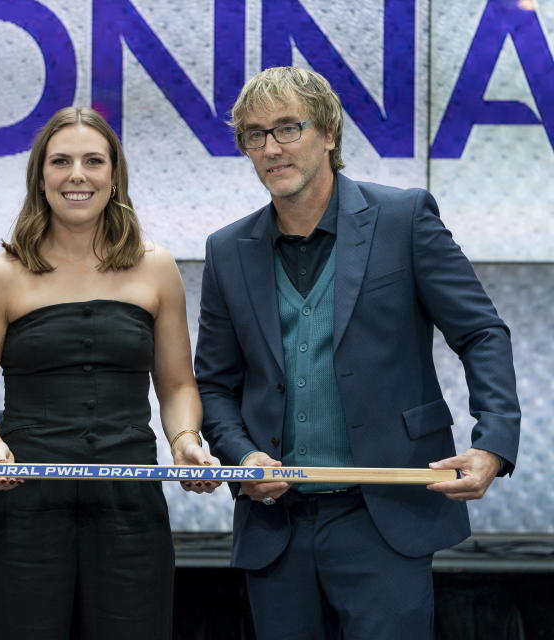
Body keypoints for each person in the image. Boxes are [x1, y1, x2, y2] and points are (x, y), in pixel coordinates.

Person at [195, 66, 520, 639]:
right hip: (278, 526)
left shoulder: (404, 218)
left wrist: (493, 440)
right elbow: (215, 383)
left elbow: (481, 333)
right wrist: (242, 456)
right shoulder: (226, 250)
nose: (272, 148)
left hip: (387, 515)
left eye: (288, 128)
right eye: (255, 135)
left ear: (329, 133)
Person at [0, 106, 218, 640]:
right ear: (41, 175)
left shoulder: (157, 267)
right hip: (24, 505)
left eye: (93, 161)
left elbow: (177, 385)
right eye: (62, 161)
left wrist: (186, 439)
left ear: (113, 174)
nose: (78, 174)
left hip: (130, 507)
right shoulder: (1, 275)